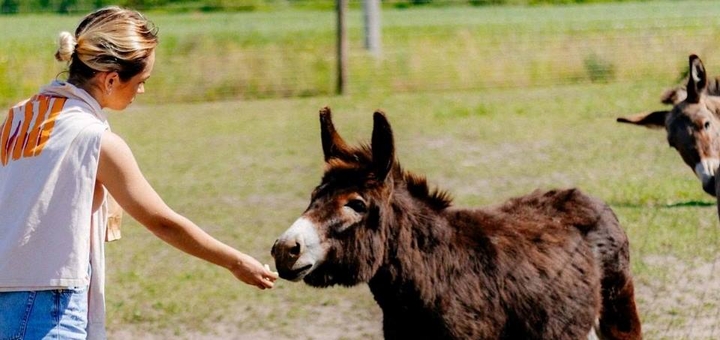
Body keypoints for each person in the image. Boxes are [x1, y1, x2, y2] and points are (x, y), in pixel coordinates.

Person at [0, 6, 278, 340]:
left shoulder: (19, 117)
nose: (141, 91)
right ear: (111, 79)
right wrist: (235, 261)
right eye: (141, 81)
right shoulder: (96, 139)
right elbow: (161, 221)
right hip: (47, 303)